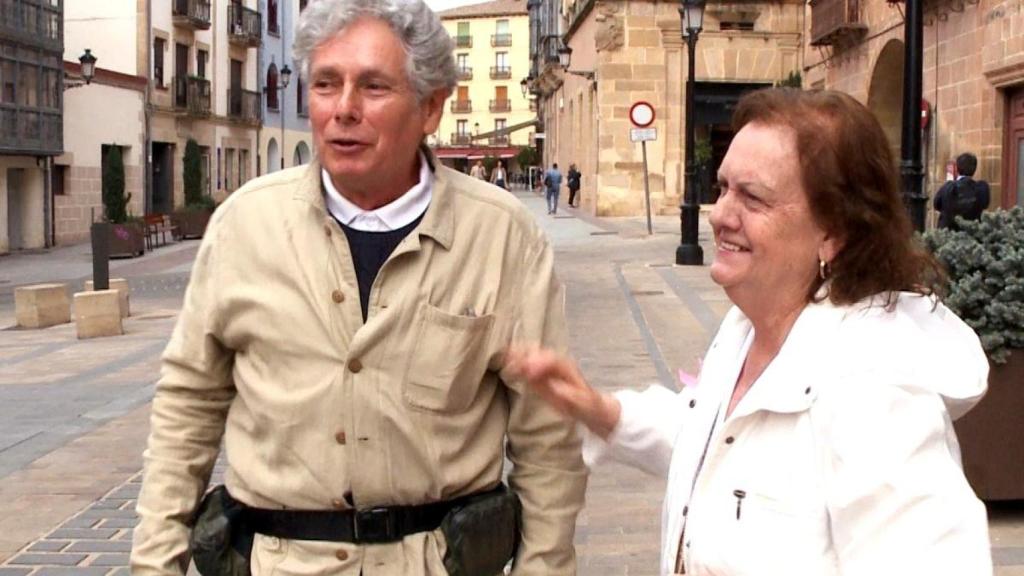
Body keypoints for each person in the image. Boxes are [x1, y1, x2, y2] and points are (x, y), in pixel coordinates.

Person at [130, 0, 586, 574]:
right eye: (325, 84)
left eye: (373, 87)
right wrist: (155, 563)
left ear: (431, 108)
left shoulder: (501, 237)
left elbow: (547, 435)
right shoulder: (244, 226)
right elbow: (187, 405)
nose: (343, 109)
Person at [506, 88, 992, 575]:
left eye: (752, 197)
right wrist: (603, 412)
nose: (719, 215)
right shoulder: (749, 329)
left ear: (834, 230)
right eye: (722, 188)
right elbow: (722, 444)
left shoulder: (876, 391)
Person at [934, 152, 990, 230]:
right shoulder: (981, 188)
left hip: (948, 234)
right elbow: (985, 204)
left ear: (956, 168)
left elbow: (937, 204)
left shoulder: (949, 187)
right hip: (972, 233)